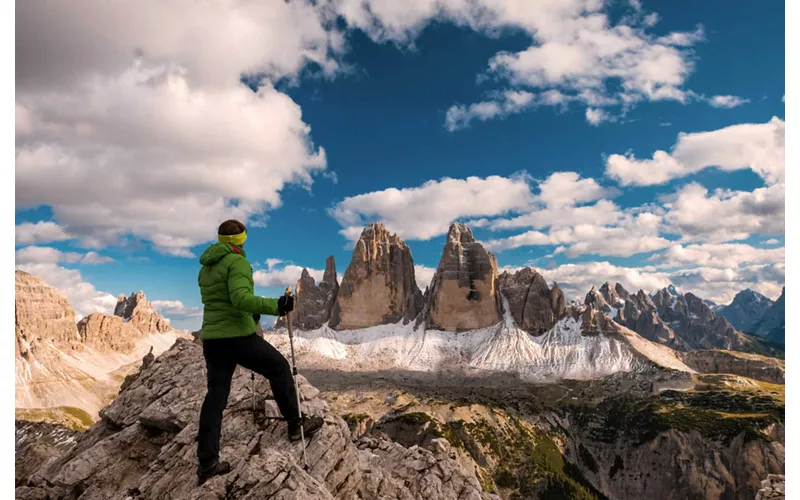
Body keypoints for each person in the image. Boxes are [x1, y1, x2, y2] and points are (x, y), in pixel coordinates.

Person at [195, 219, 324, 485]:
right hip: (237, 337)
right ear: (242, 239)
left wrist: (250, 310)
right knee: (279, 368)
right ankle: (295, 424)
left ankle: (207, 464)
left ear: (221, 239)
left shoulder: (207, 267)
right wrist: (277, 305)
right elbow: (239, 298)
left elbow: (220, 300)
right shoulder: (237, 262)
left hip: (213, 339)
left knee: (216, 397)